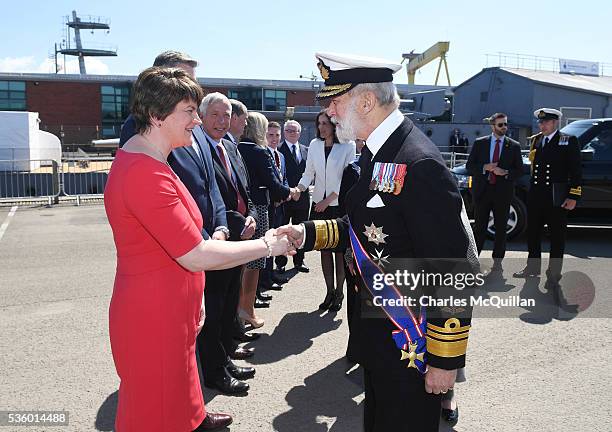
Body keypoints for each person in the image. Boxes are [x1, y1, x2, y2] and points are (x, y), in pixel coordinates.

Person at [278, 52, 478, 432]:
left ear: (366, 101)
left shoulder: (419, 163)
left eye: (335, 102)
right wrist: (305, 234)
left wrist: (444, 358)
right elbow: (364, 229)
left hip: (412, 346)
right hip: (380, 338)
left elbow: (453, 269)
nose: (331, 113)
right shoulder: (378, 151)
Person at [104, 67, 294, 432]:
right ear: (158, 116)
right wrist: (267, 245)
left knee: (176, 408)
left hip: (170, 309)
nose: (196, 120)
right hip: (154, 317)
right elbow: (194, 253)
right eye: (189, 111)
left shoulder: (152, 159)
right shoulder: (145, 172)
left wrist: (196, 299)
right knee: (156, 415)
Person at [197, 92, 258, 395]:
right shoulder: (196, 150)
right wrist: (236, 223)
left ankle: (226, 356)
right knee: (215, 306)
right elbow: (205, 201)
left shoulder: (229, 148)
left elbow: (242, 189)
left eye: (226, 115)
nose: (222, 122)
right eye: (215, 115)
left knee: (229, 301)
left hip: (239, 236)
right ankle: (214, 371)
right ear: (202, 117)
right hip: (217, 239)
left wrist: (252, 218)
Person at [238, 113, 298, 328]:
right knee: (255, 262)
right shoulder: (258, 151)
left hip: (242, 210)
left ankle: (243, 307)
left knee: (243, 263)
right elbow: (274, 185)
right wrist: (290, 191)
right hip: (259, 208)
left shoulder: (234, 147)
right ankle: (247, 310)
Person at [513, 108, 582, 294]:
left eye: (545, 122)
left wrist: (573, 196)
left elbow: (576, 171)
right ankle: (533, 268)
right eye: (540, 122)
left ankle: (554, 275)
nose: (541, 125)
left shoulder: (568, 141)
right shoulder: (537, 140)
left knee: (557, 238)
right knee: (533, 235)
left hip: (557, 197)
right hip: (536, 196)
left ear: (555, 123)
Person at [295, 110, 355, 311]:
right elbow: (308, 173)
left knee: (339, 252)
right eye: (319, 123)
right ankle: (329, 292)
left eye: (325, 123)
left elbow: (348, 179)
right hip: (319, 205)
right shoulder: (314, 145)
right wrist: (299, 189)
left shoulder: (348, 145)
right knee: (324, 250)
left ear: (334, 125)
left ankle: (340, 292)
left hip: (338, 205)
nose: (321, 127)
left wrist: (328, 200)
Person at [466, 113, 523, 271]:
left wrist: (505, 172)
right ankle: (474, 260)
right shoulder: (480, 143)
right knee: (479, 228)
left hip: (502, 193)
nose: (504, 127)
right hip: (483, 192)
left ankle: (497, 262)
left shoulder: (514, 145)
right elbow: (469, 166)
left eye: (505, 124)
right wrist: (485, 167)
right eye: (500, 125)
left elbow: (519, 170)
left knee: (500, 228)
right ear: (492, 126)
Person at [277, 120, 310, 273]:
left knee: (301, 231)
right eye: (289, 130)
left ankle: (299, 261)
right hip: (285, 199)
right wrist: (288, 193)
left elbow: (310, 173)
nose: (292, 133)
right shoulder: (278, 150)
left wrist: (299, 191)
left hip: (302, 199)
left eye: (295, 130)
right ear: (284, 132)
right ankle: (280, 263)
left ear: (299, 133)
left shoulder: (306, 150)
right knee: (282, 231)